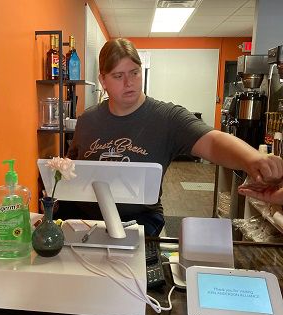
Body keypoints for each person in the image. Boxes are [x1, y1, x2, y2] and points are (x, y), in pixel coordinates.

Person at [66, 38, 283, 236]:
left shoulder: (166, 117)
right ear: (102, 80)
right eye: (118, 76)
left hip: (140, 223)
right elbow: (73, 169)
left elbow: (213, 141)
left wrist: (253, 160)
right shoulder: (87, 120)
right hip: (87, 222)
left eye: (134, 72)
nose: (129, 82)